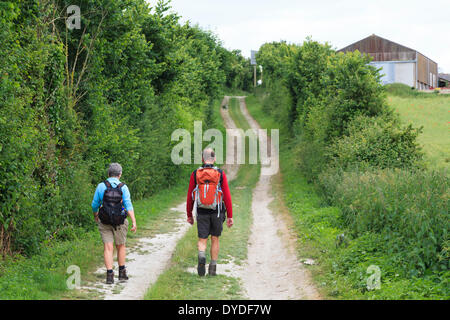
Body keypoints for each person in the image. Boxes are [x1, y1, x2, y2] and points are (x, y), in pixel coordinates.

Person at [186, 148, 233, 276]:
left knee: (202, 239)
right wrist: (230, 216)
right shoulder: (220, 174)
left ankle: (201, 255)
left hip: (201, 211)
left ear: (202, 159)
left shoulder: (196, 173)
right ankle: (212, 268)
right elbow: (227, 196)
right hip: (217, 211)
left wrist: (189, 214)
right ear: (214, 159)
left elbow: (190, 196)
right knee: (215, 238)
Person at [92, 163, 137, 284]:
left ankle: (109, 275)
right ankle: (122, 274)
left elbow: (94, 204)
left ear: (108, 173)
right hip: (120, 222)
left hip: (104, 220)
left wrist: (96, 215)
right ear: (120, 174)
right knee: (121, 245)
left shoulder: (101, 186)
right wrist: (133, 221)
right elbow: (128, 205)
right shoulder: (123, 187)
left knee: (108, 247)